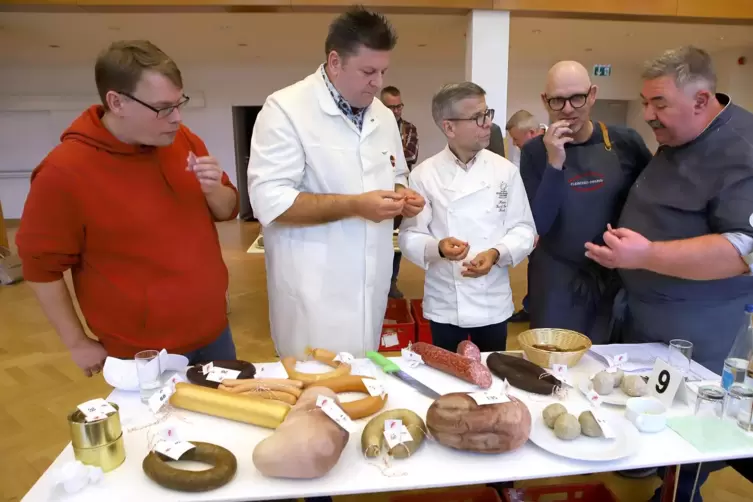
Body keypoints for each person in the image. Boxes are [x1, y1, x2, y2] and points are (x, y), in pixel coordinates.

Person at [585, 46, 753, 502]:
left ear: (701, 101)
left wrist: (647, 254)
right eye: (645, 102)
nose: (649, 115)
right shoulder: (681, 134)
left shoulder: (742, 148)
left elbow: (744, 249)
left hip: (701, 326)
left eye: (659, 103)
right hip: (647, 313)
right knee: (656, 417)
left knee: (693, 434)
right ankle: (656, 470)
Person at [15, 40, 240, 375]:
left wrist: (213, 190)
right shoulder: (63, 173)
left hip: (215, 333)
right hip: (142, 354)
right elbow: (39, 269)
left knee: (227, 427)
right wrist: (77, 342)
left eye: (179, 104)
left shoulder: (183, 140)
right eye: (163, 108)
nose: (177, 118)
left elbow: (227, 209)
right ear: (116, 101)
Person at [247, 7, 425, 359]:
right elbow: (270, 201)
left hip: (370, 285)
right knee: (314, 392)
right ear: (335, 61)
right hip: (313, 290)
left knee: (363, 380)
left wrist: (404, 196)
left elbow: (397, 174)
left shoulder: (383, 117)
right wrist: (355, 205)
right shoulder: (286, 109)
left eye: (383, 71)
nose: (377, 82)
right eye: (368, 71)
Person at [519, 60, 652, 343]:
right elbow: (538, 224)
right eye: (557, 100)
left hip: (613, 276)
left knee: (608, 363)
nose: (568, 109)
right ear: (545, 101)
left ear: (592, 94)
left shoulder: (625, 142)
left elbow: (649, 204)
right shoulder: (534, 152)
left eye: (577, 98)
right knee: (553, 362)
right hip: (556, 276)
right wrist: (555, 162)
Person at [398, 82, 535, 352]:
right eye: (477, 117)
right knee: (449, 375)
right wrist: (437, 247)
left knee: (492, 373)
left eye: (488, 114)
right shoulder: (425, 175)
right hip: (447, 300)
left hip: (491, 300)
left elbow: (524, 229)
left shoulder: (504, 171)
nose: (488, 124)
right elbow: (409, 236)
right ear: (449, 127)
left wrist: (496, 252)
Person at [504, 110, 546, 323]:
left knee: (545, 270)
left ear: (531, 133)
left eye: (516, 139)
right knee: (535, 267)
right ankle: (531, 308)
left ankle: (540, 313)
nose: (514, 144)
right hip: (531, 222)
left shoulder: (557, 149)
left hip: (549, 226)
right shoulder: (527, 151)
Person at [380, 85, 419, 299]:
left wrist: (384, 158)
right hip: (374, 195)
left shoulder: (409, 129)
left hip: (399, 192)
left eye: (399, 106)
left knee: (395, 242)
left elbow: (409, 156)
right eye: (391, 107)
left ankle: (392, 282)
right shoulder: (374, 127)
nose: (396, 111)